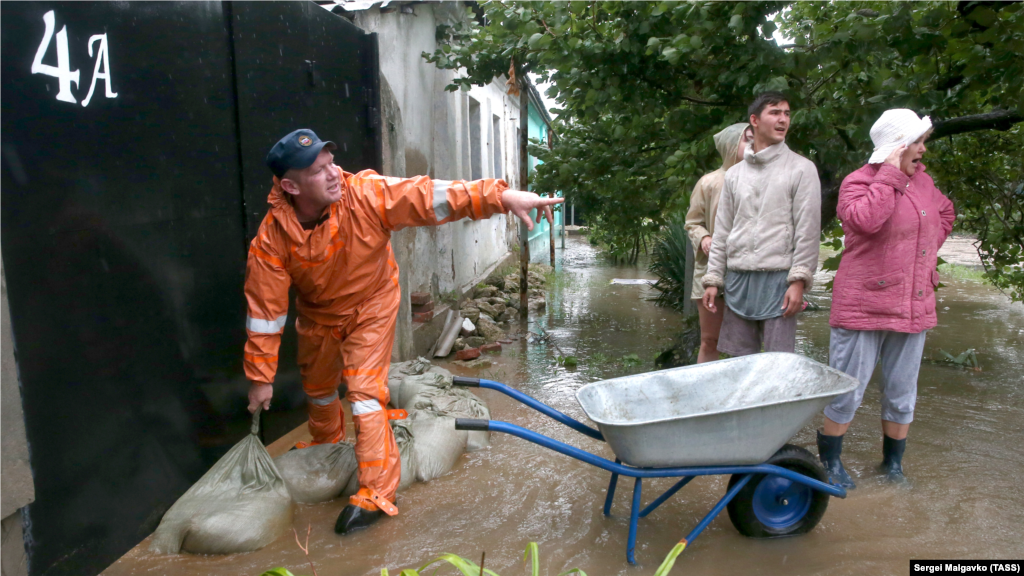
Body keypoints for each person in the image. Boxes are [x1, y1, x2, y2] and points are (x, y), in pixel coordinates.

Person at [243, 129, 562, 534]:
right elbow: (265, 314)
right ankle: (326, 451)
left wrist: (502, 197)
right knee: (320, 389)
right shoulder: (271, 241)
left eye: (331, 163)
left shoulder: (364, 194)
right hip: (319, 315)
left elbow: (430, 195)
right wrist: (260, 378)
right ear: (290, 186)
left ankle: (377, 491)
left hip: (372, 304)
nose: (333, 174)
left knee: (363, 393)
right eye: (319, 170)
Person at [816, 109, 955, 487]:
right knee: (847, 387)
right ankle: (831, 464)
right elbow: (865, 220)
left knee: (902, 391)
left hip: (913, 302)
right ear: (897, 147)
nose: (923, 150)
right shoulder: (857, 182)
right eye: (917, 142)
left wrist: (923, 248)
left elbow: (945, 213)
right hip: (863, 305)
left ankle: (892, 465)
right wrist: (890, 176)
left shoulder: (924, 183)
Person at [701, 92, 821, 356]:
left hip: (780, 280)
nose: (783, 120)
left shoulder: (802, 169)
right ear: (754, 120)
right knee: (738, 364)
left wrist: (798, 281)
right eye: (775, 113)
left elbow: (808, 231)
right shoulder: (734, 175)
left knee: (779, 364)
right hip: (738, 279)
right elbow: (722, 232)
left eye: (787, 113)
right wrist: (713, 279)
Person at [685, 123, 752, 363]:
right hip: (710, 269)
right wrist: (703, 237)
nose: (752, 145)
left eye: (755, 140)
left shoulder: (760, 181)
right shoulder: (709, 182)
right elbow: (692, 222)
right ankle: (704, 392)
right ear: (729, 146)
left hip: (748, 270)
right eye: (746, 140)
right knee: (710, 339)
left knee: (744, 342)